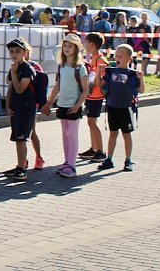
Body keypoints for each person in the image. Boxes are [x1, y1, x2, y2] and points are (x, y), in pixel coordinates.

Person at [41, 33, 89, 178]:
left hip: (74, 105)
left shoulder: (80, 68)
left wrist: (78, 105)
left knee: (72, 135)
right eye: (65, 46)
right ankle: (67, 161)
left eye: (70, 46)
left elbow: (85, 89)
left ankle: (72, 165)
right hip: (62, 104)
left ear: (76, 49)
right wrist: (49, 101)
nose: (67, 49)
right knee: (65, 134)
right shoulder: (61, 66)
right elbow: (58, 85)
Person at [97, 44, 145, 171]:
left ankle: (128, 160)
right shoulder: (111, 72)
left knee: (126, 135)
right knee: (113, 134)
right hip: (112, 107)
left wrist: (142, 78)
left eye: (120, 56)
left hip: (126, 108)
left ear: (129, 59)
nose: (116, 58)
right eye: (115, 55)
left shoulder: (132, 74)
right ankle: (109, 159)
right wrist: (98, 72)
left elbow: (141, 90)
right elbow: (99, 85)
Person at [3, 37, 37, 181]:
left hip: (26, 108)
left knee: (22, 139)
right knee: (17, 139)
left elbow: (19, 88)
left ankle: (22, 168)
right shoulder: (14, 68)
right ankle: (19, 165)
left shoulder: (26, 69)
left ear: (25, 52)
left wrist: (14, 72)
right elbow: (10, 88)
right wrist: (7, 105)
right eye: (11, 51)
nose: (14, 54)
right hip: (15, 107)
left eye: (17, 51)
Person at [79, 33, 108, 163]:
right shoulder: (94, 58)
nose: (84, 45)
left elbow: (100, 80)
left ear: (92, 44)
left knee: (92, 122)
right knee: (90, 122)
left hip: (96, 96)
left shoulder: (100, 60)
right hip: (91, 95)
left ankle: (101, 151)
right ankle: (94, 148)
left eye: (86, 42)